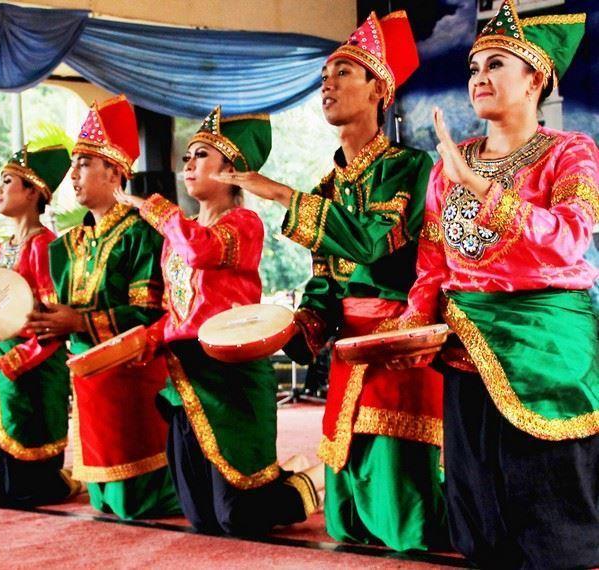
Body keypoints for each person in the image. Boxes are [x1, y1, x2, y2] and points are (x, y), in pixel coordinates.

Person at [216, 11, 448, 551]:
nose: (329, 83)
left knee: (401, 507)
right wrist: (299, 324)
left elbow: (371, 243)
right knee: (349, 524)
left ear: (378, 90)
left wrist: (277, 193)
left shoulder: (410, 167)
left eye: (344, 72)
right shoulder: (325, 184)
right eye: (325, 76)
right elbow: (325, 278)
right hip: (349, 347)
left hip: (398, 339)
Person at [397, 2, 598, 566]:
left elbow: (569, 237)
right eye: (473, 67)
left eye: (495, 64)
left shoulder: (571, 153)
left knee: (547, 519)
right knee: (478, 510)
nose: (478, 77)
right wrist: (417, 318)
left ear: (537, 79)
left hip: (546, 341)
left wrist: (485, 193)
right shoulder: (451, 161)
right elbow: (433, 258)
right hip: (466, 342)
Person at [115, 107, 320, 536]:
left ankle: (310, 483)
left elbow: (201, 252)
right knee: (202, 518)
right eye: (187, 156)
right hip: (184, 373)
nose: (187, 164)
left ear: (230, 170)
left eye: (201, 155)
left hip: (228, 377)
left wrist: (152, 208)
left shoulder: (242, 224)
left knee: (238, 518)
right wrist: (146, 340)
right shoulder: (181, 229)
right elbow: (179, 311)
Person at [27, 95, 179, 519]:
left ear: (114, 172)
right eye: (73, 165)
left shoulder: (141, 233)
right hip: (87, 376)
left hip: (132, 376)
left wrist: (79, 320)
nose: (72, 175)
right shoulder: (67, 245)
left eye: (84, 165)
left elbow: (149, 313)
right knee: (106, 500)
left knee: (138, 500)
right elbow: (59, 309)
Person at [0, 141, 80, 507]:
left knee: (20, 486)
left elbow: (48, 319)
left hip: (32, 366)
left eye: (8, 180)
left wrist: (12, 359)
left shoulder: (45, 246)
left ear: (32, 192)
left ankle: (59, 484)